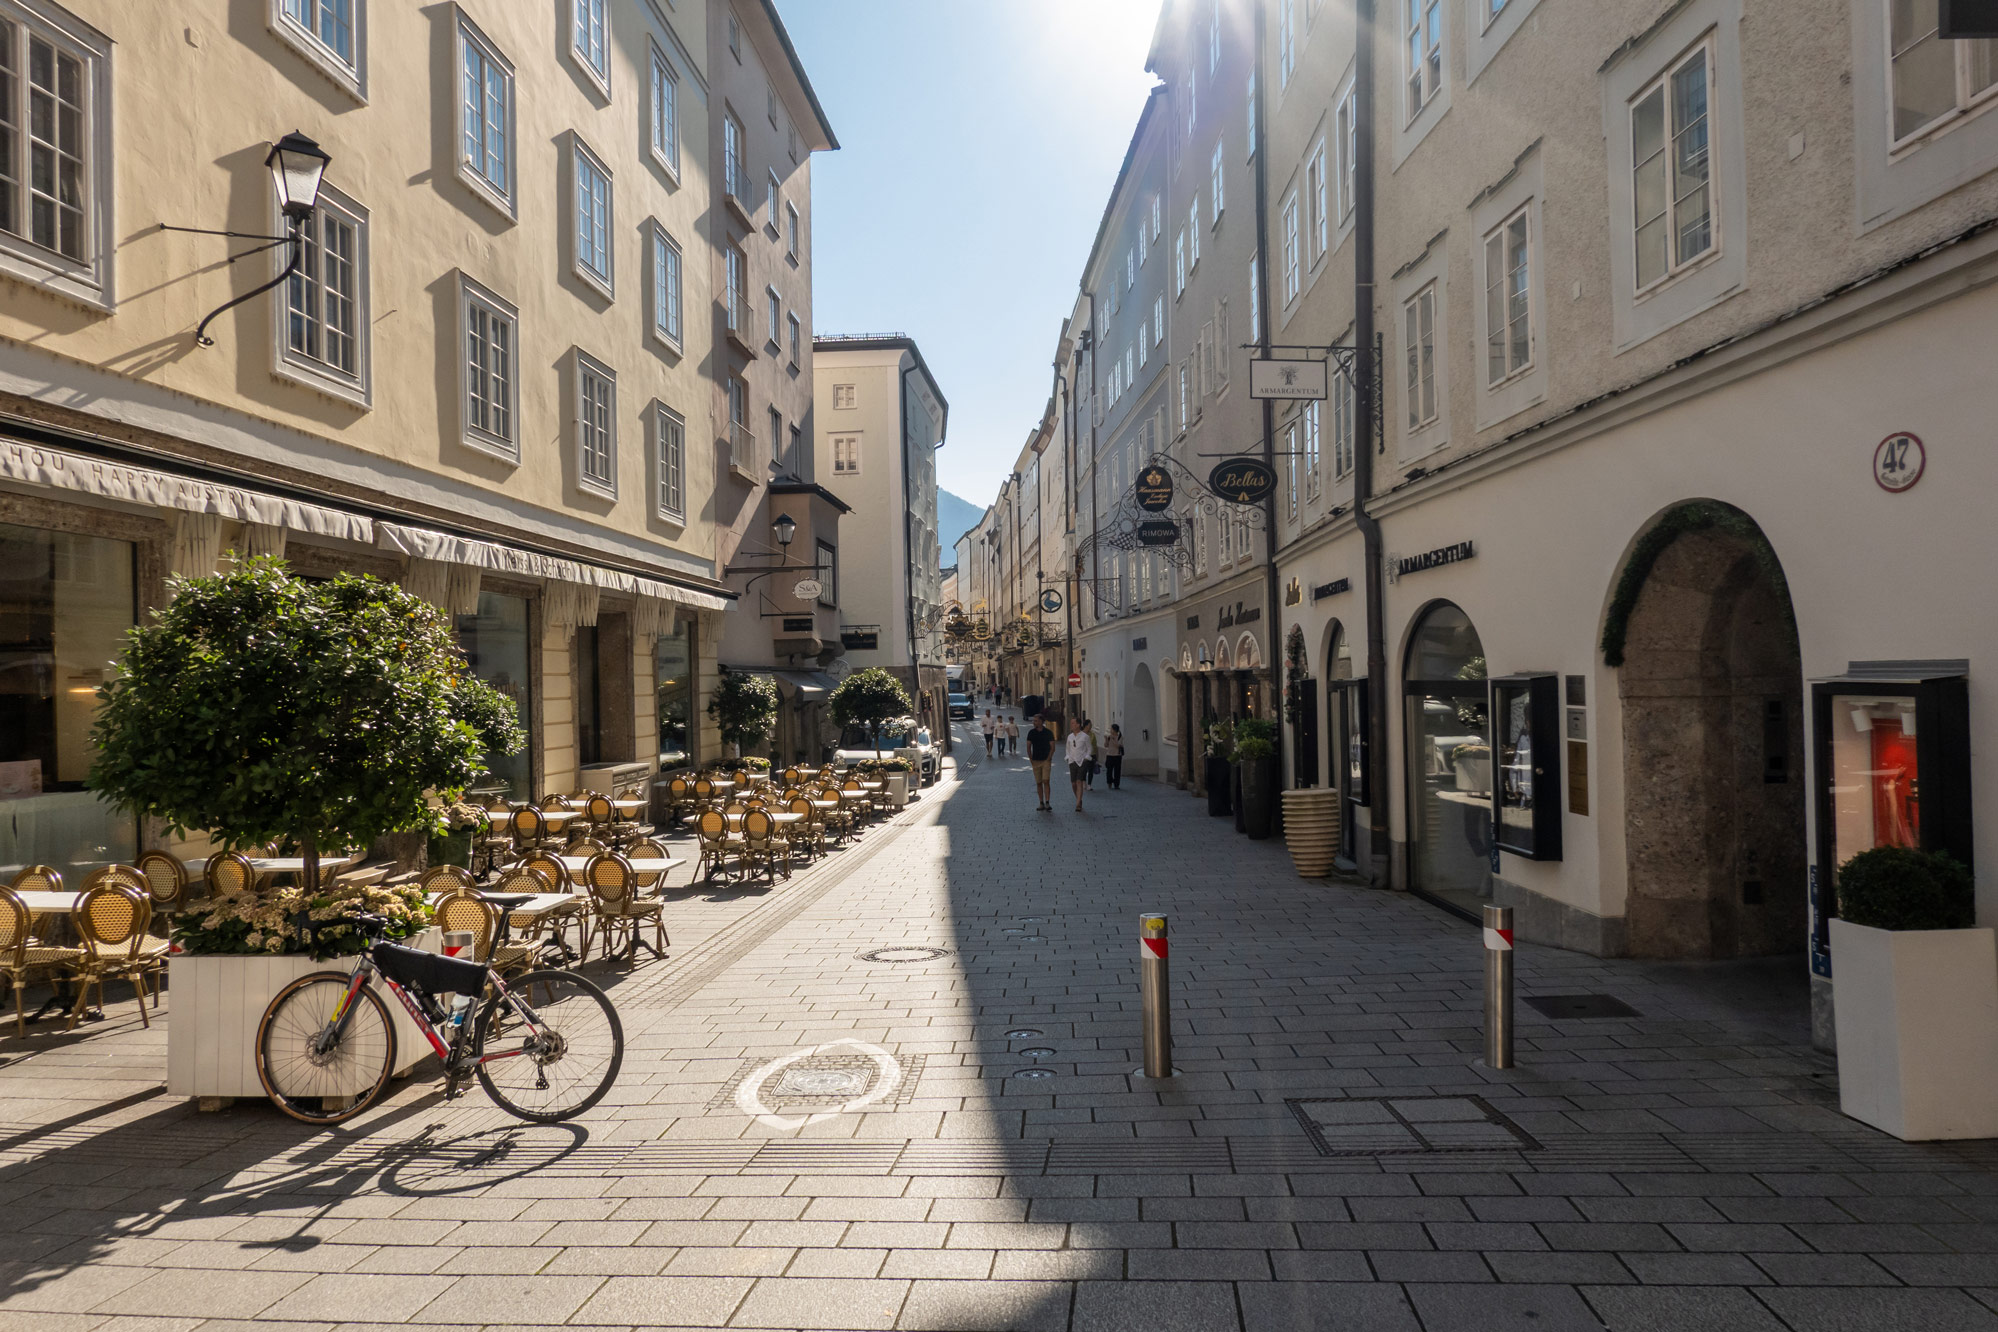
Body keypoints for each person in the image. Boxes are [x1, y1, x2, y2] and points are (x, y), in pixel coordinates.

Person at [1027, 714, 1055, 810]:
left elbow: (1052, 747)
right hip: (1036, 760)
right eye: (1033, 720)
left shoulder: (1048, 733)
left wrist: (1049, 758)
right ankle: (1041, 802)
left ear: (1040, 722)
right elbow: (1028, 746)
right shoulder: (1031, 733)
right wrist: (1031, 759)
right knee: (1038, 782)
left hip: (1046, 760)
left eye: (1035, 720)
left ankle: (1047, 802)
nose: (1033, 722)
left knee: (1046, 780)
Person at [1065, 715, 1093, 812]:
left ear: (1078, 725)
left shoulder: (1085, 737)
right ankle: (1078, 798)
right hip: (1072, 761)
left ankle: (1078, 803)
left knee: (1079, 781)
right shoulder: (1070, 737)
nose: (1071, 725)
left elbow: (1089, 748)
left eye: (1073, 723)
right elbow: (1067, 749)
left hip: (1082, 762)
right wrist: (1068, 757)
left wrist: (1086, 757)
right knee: (1073, 783)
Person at [1103, 724, 1125, 789]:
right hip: (1109, 755)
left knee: (1117, 771)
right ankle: (1109, 782)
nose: (1110, 730)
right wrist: (1106, 739)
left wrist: (1113, 739)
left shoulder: (1120, 737)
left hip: (1117, 755)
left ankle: (1116, 784)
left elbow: (1118, 745)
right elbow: (1106, 745)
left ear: (1115, 730)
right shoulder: (1109, 737)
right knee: (1109, 770)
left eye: (1111, 729)